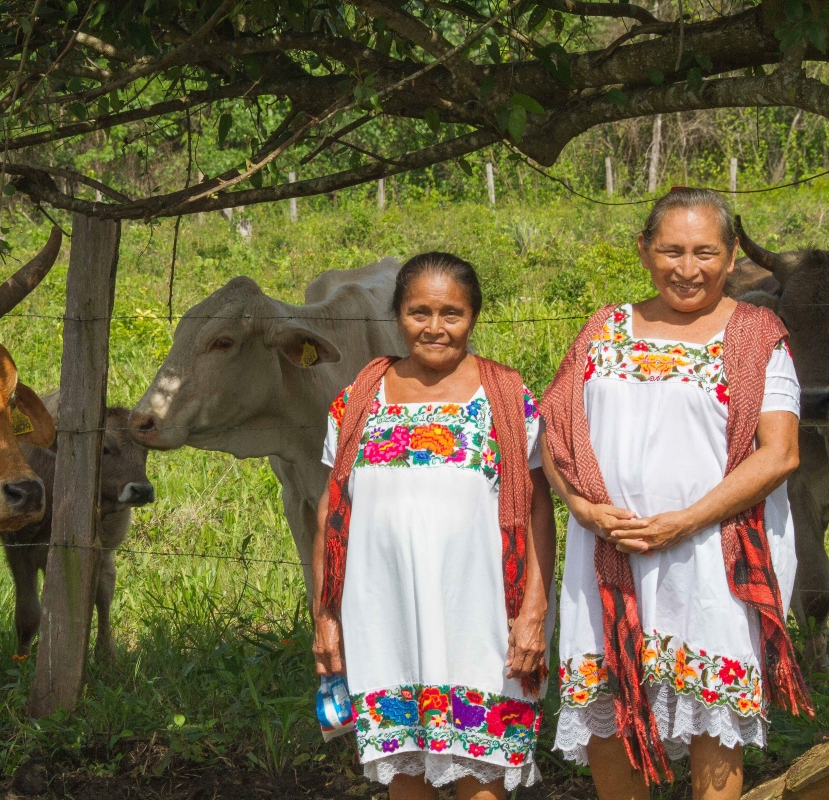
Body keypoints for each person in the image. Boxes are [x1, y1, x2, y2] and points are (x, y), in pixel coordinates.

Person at [540, 188, 813, 800]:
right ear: (643, 250)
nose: (687, 269)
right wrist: (581, 508)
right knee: (609, 720)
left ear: (731, 254)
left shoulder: (755, 335)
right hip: (608, 557)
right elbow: (553, 434)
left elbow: (780, 452)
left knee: (712, 719)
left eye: (704, 252)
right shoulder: (603, 330)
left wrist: (683, 521)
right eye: (670, 250)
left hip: (709, 558)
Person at [310, 253, 557, 800]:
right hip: (384, 619)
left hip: (483, 619)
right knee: (405, 777)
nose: (435, 327)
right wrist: (325, 617)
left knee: (481, 774)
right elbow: (332, 513)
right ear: (397, 314)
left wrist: (534, 612)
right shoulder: (356, 402)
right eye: (420, 311)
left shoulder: (507, 400)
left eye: (453, 313)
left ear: (474, 317)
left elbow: (539, 506)